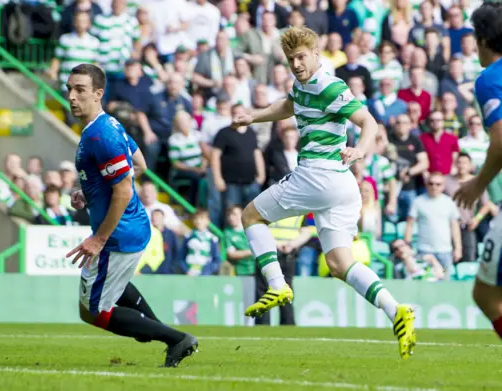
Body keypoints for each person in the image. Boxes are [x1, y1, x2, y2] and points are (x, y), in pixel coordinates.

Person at [231, 26, 416, 359]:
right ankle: (396, 310)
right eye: (291, 59)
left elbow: (369, 122)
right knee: (339, 262)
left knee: (250, 216)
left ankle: (276, 284)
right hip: (340, 186)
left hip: (319, 175)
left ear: (317, 54)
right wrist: (253, 116)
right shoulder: (301, 85)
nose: (297, 64)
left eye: (301, 57)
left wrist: (360, 150)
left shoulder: (330, 84)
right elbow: (289, 105)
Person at [63, 64, 197, 367]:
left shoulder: (100, 136)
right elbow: (140, 165)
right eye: (70, 89)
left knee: (93, 312)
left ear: (98, 94)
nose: (72, 96)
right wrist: (92, 192)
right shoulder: (108, 123)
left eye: (80, 90)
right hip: (132, 226)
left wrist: (98, 239)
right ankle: (159, 331)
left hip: (118, 233)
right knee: (116, 288)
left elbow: (123, 190)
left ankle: (173, 338)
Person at [453, 2, 502, 341]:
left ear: (482, 39)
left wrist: (477, 184)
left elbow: (501, 139)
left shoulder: (489, 80)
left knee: (484, 295)